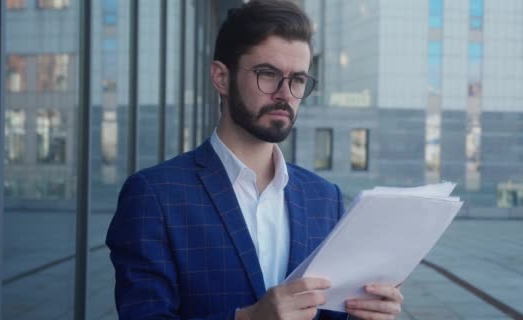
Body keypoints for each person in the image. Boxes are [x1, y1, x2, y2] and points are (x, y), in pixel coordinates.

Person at [106, 1, 403, 319]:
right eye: (267, 74)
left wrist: (367, 312)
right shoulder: (154, 195)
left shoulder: (324, 197)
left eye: (298, 79)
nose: (285, 93)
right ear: (221, 77)